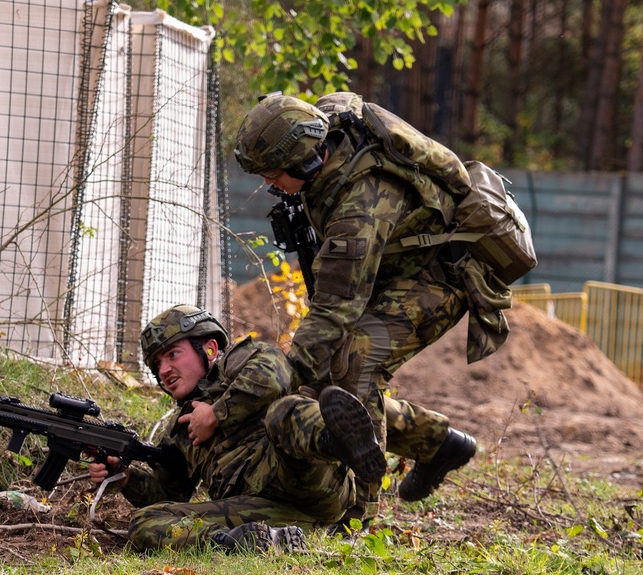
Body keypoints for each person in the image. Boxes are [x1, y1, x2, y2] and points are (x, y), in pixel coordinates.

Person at [234, 92, 491, 523]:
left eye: (274, 174)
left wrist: (279, 379)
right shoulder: (322, 128)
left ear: (305, 162)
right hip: (393, 264)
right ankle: (437, 442)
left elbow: (335, 310)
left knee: (355, 358)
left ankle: (359, 517)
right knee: (328, 372)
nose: (268, 185)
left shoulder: (361, 206)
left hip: (443, 277)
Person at [87, 305, 386, 552]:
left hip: (311, 481)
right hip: (265, 511)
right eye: (157, 364)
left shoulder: (237, 362)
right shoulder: (179, 429)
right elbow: (169, 495)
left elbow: (274, 375)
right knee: (144, 522)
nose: (164, 370)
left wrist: (216, 415)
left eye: (173, 354)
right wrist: (125, 477)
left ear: (210, 347)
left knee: (285, 412)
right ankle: (239, 542)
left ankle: (342, 444)